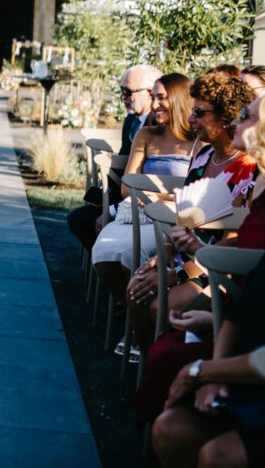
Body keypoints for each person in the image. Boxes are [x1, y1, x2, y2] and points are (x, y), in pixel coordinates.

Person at [127, 72, 257, 354]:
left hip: (216, 266)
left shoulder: (247, 170)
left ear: (226, 118)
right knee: (134, 290)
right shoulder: (203, 155)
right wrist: (162, 258)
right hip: (182, 254)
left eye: (198, 112)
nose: (189, 119)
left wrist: (179, 273)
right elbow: (184, 216)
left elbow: (232, 241)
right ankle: (152, 364)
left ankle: (166, 367)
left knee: (159, 305)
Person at [91, 72, 196, 353]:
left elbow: (199, 192)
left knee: (130, 256)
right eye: (154, 97)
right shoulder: (146, 133)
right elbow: (127, 185)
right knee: (102, 255)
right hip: (138, 212)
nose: (156, 103)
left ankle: (141, 332)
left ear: (180, 99)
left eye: (162, 97)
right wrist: (146, 195)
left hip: (175, 217)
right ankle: (135, 319)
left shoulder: (200, 141)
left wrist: (157, 195)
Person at [153, 258, 265, 467]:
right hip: (246, 368)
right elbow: (239, 312)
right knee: (170, 429)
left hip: (254, 373)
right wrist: (216, 371)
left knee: (217, 457)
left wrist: (206, 371)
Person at [67, 64, 162, 250]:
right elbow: (123, 163)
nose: (122, 97)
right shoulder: (132, 120)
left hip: (144, 202)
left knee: (81, 220)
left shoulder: (158, 126)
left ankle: (112, 267)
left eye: (128, 91)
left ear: (149, 92)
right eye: (121, 91)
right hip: (124, 196)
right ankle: (105, 267)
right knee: (79, 218)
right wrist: (104, 193)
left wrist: (112, 210)